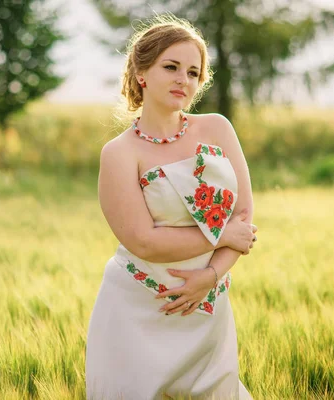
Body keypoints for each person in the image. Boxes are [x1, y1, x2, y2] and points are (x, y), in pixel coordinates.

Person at [85, 13, 258, 400]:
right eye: (171, 67)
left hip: (207, 305)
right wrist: (223, 233)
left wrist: (210, 276)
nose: (184, 79)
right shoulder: (119, 154)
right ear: (142, 72)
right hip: (138, 310)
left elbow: (243, 218)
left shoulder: (216, 128)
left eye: (194, 72)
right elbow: (144, 242)